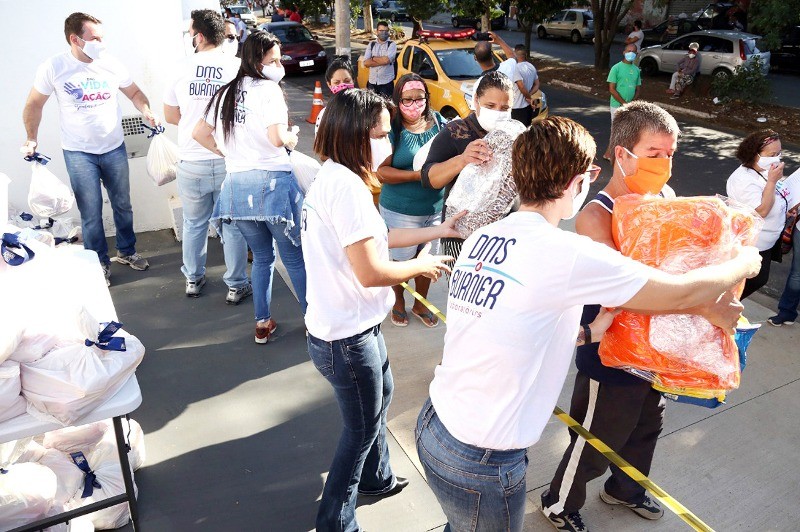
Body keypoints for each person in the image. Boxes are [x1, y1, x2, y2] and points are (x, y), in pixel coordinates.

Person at [417, 115, 760, 532]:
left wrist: (587, 333)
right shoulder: (568, 252)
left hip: (438, 422)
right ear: (580, 180)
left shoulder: (484, 237)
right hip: (482, 456)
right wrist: (743, 261)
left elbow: (508, 325)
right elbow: (681, 292)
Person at [541, 101, 750, 532]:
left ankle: (626, 489)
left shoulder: (666, 200)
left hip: (657, 349)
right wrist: (708, 306)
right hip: (611, 351)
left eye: (671, 153)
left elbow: (685, 267)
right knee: (598, 435)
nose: (665, 163)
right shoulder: (595, 216)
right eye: (654, 153)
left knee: (645, 428)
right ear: (623, 154)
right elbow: (626, 292)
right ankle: (559, 503)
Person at [303, 87, 461, 532]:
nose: (387, 145)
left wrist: (436, 229)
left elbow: (377, 237)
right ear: (354, 135)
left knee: (380, 399)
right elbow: (372, 271)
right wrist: (423, 263)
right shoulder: (349, 188)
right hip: (346, 337)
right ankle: (336, 521)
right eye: (379, 134)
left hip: (348, 328)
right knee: (360, 429)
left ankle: (378, 477)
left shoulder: (334, 176)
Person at [21, 12, 158, 286]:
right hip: (78, 152)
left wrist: (146, 110)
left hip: (113, 147)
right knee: (91, 212)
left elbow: (135, 93)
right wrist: (31, 138)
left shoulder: (110, 64)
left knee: (122, 204)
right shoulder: (55, 67)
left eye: (102, 37)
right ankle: (99, 263)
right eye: (95, 38)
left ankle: (126, 251)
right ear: (75, 39)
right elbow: (34, 104)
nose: (101, 43)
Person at [193, 30, 306, 344]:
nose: (279, 65)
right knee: (294, 259)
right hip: (273, 185)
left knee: (261, 257)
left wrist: (226, 152)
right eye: (274, 59)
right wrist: (292, 137)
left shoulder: (225, 92)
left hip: (237, 188)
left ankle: (262, 323)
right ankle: (315, 321)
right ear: (257, 60)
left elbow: (199, 133)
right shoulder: (269, 91)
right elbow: (276, 139)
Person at [163, 9, 250, 303]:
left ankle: (193, 278)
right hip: (230, 159)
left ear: (199, 36)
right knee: (233, 224)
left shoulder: (180, 67)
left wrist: (192, 119)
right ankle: (236, 284)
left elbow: (170, 115)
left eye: (191, 33)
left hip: (191, 158)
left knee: (194, 223)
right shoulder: (237, 67)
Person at [377, 74, 447, 328]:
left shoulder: (438, 122)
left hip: (434, 209)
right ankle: (398, 302)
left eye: (420, 99)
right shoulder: (392, 128)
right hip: (400, 210)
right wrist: (417, 176)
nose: (414, 104)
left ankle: (420, 303)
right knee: (401, 261)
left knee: (428, 261)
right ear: (398, 99)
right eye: (407, 99)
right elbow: (381, 172)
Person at [420, 71, 512, 262]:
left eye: (505, 108)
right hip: (460, 237)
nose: (498, 113)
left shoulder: (514, 134)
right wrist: (462, 159)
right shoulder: (455, 132)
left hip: (503, 237)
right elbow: (429, 179)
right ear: (476, 101)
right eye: (490, 106)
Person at [727, 130, 786, 300]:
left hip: (768, 241)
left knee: (759, 278)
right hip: (753, 243)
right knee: (752, 281)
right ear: (754, 154)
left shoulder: (766, 171)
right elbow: (761, 211)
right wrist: (772, 181)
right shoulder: (742, 179)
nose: (777, 158)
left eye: (779, 153)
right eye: (771, 154)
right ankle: (721, 311)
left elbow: (776, 195)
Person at [603, 44, 641, 159]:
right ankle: (609, 153)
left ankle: (616, 153)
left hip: (629, 105)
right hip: (617, 104)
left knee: (627, 129)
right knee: (616, 129)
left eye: (633, 51)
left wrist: (632, 103)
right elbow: (612, 89)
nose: (631, 53)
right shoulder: (616, 68)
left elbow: (638, 88)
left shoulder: (636, 70)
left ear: (636, 54)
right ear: (624, 52)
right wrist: (624, 103)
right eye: (629, 51)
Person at [490, 33, 536, 125]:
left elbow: (521, 86)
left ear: (515, 53)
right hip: (527, 107)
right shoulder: (531, 67)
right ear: (525, 54)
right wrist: (529, 95)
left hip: (516, 108)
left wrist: (527, 96)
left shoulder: (514, 68)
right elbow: (537, 84)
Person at [314, 57, 355, 137]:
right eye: (337, 82)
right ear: (329, 84)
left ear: (354, 80)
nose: (342, 85)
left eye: (347, 81)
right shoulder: (324, 115)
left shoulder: (365, 110)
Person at [364, 21, 397, 99]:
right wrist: (382, 61)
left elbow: (386, 61)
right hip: (372, 83)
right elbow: (366, 63)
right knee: (372, 108)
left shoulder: (392, 44)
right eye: (381, 31)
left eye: (386, 31)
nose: (384, 33)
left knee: (387, 108)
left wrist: (373, 58)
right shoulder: (371, 44)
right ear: (376, 31)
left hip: (386, 84)